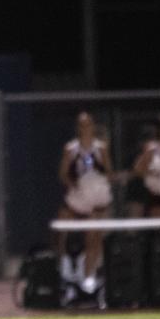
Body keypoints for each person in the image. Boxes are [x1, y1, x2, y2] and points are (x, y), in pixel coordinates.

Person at [57, 111, 112, 293]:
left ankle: (89, 277)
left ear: (93, 126)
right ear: (78, 128)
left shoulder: (101, 148)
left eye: (88, 124)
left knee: (93, 238)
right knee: (69, 237)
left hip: (96, 199)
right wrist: (75, 184)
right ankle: (67, 276)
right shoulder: (70, 149)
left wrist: (99, 173)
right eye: (82, 125)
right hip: (78, 200)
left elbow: (108, 173)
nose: (85, 128)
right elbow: (63, 174)